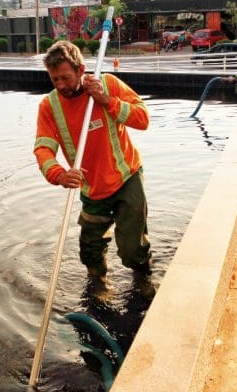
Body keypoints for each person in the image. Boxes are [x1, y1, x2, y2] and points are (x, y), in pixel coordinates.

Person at [34, 40, 153, 296]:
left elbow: (143, 119)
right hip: (91, 189)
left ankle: (143, 280)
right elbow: (43, 148)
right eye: (55, 79)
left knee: (132, 250)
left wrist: (107, 101)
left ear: (81, 70)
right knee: (90, 251)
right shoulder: (50, 106)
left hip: (126, 178)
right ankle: (99, 288)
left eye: (65, 77)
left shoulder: (107, 84)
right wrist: (59, 174)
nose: (60, 85)